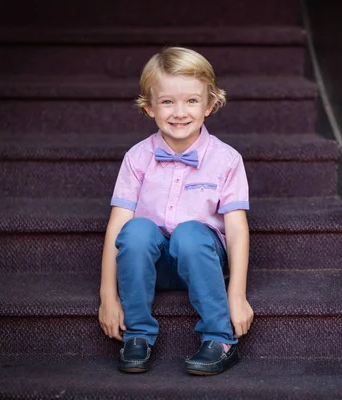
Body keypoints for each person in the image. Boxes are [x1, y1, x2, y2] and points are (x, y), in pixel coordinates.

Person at [98, 47, 254, 375]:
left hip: (202, 260)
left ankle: (219, 337)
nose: (179, 112)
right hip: (153, 266)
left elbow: (237, 230)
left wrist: (236, 296)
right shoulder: (137, 158)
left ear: (210, 105)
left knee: (189, 233)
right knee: (136, 231)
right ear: (149, 108)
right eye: (167, 101)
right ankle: (137, 334)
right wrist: (107, 296)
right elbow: (117, 228)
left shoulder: (226, 160)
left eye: (192, 101)